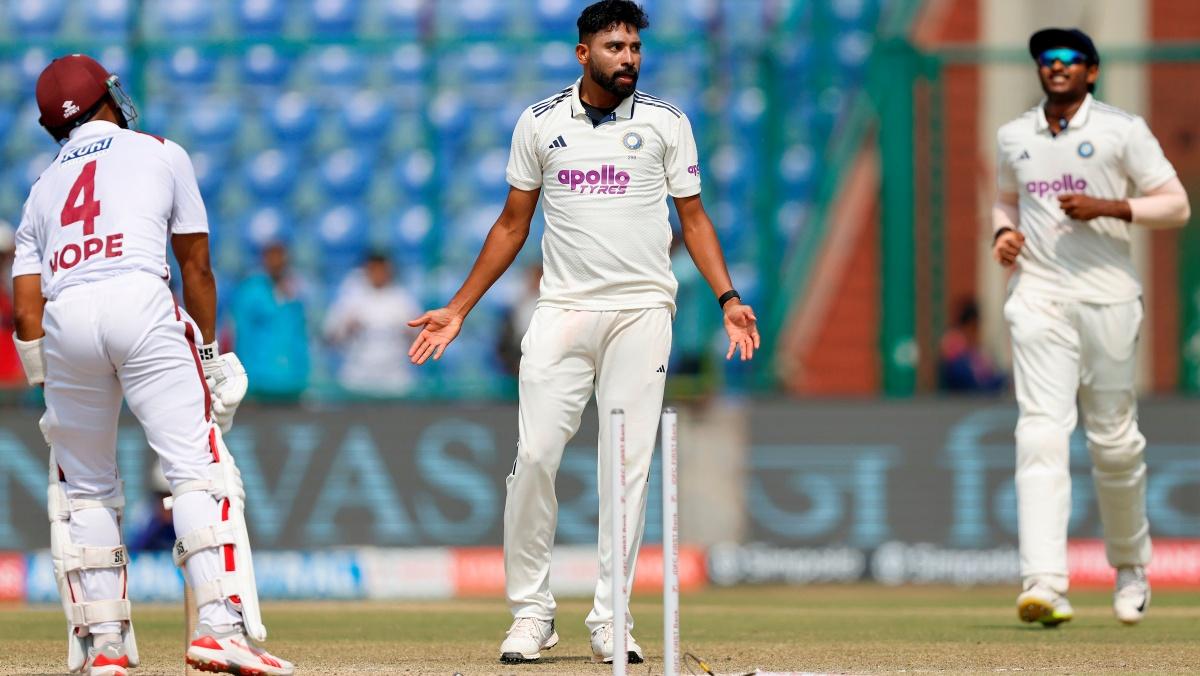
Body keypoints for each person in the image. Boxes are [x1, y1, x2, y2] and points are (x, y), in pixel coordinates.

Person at [406, 0, 760, 664]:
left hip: (641, 312)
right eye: (614, 47)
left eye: (634, 47)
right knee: (535, 457)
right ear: (583, 54)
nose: (627, 58)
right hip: (563, 309)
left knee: (625, 469)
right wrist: (459, 307)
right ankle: (532, 613)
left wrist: (728, 298)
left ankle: (612, 618)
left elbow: (695, 220)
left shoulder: (665, 122)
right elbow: (512, 225)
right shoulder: (540, 123)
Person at [11, 54, 293, 675]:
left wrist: (43, 382)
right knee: (197, 469)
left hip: (66, 319)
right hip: (140, 300)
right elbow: (196, 266)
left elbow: (25, 309)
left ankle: (105, 646)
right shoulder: (161, 151)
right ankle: (218, 627)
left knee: (84, 490)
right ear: (105, 98)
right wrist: (212, 356)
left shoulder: (40, 187)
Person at [992, 28, 1190, 628]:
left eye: (1068, 60)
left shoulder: (1120, 130)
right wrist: (1003, 235)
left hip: (1107, 298)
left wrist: (1110, 207)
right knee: (1040, 433)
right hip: (1039, 296)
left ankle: (1130, 565)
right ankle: (1044, 584)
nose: (1056, 67)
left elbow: (1176, 204)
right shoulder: (1014, 135)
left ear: (1092, 71)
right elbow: (1005, 199)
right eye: (1046, 60)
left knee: (1113, 442)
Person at [322, 251, 420, 395]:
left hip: (395, 377)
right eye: (374, 269)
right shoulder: (350, 298)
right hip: (358, 376)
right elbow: (330, 337)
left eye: (382, 270)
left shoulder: (402, 299)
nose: (378, 274)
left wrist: (409, 332)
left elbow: (419, 335)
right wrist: (348, 328)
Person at [230, 242, 309, 402]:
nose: (277, 262)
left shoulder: (294, 292)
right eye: (272, 257)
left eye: (280, 257)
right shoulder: (251, 291)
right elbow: (242, 334)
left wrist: (302, 372)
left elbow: (299, 335)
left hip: (291, 381)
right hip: (259, 381)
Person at [938, 298, 1004, 393]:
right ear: (971, 323)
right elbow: (957, 370)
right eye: (975, 326)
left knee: (1000, 376)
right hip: (963, 384)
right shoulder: (955, 339)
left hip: (973, 382)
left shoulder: (970, 342)